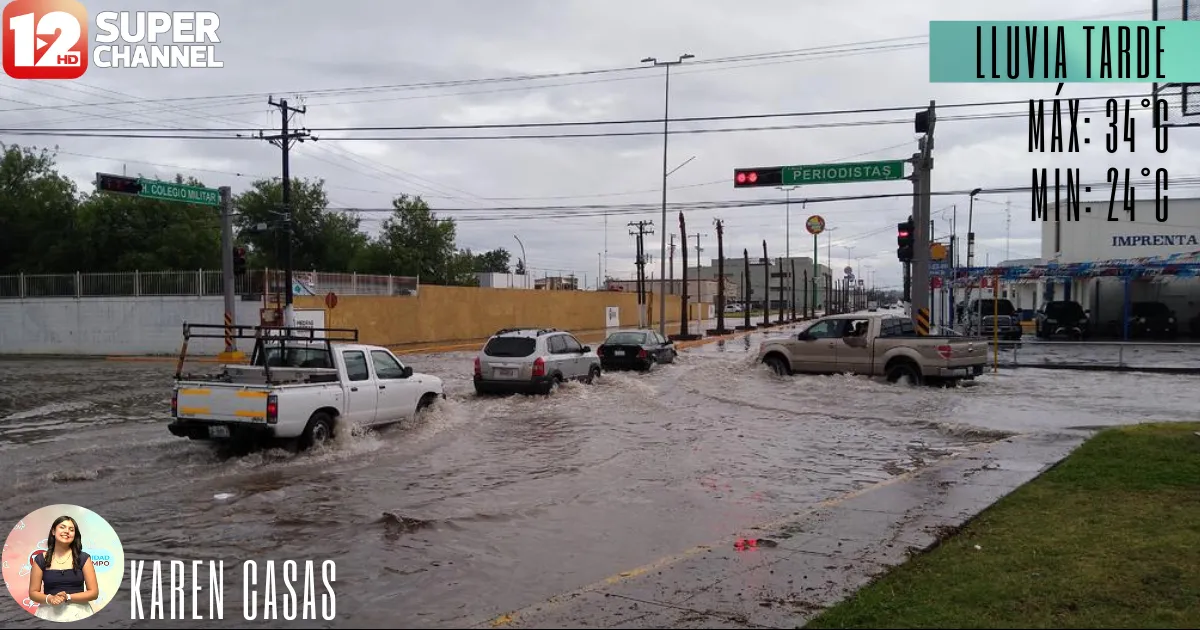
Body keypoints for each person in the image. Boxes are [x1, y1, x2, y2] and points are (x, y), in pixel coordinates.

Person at [27, 515, 98, 622]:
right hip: (48, 613)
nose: (67, 531)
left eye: (71, 529)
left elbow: (93, 593)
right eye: (62, 527)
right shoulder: (40, 559)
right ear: (53, 531)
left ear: (75, 535)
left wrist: (68, 597)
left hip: (79, 613)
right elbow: (33, 593)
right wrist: (50, 598)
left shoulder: (83, 558)